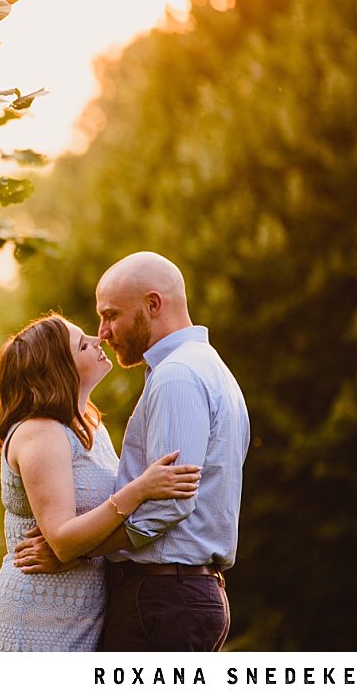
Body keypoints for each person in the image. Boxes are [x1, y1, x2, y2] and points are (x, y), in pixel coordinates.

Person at [14, 252, 251, 651]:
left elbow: (169, 504)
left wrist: (77, 553)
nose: (103, 332)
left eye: (111, 315)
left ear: (153, 304)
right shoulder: (206, 367)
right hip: (175, 595)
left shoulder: (178, 376)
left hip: (161, 599)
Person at [0, 312, 201, 652]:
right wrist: (140, 489)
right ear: (59, 370)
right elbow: (63, 542)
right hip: (40, 618)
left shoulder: (90, 428)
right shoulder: (40, 433)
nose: (98, 340)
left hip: (83, 615)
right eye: (83, 344)